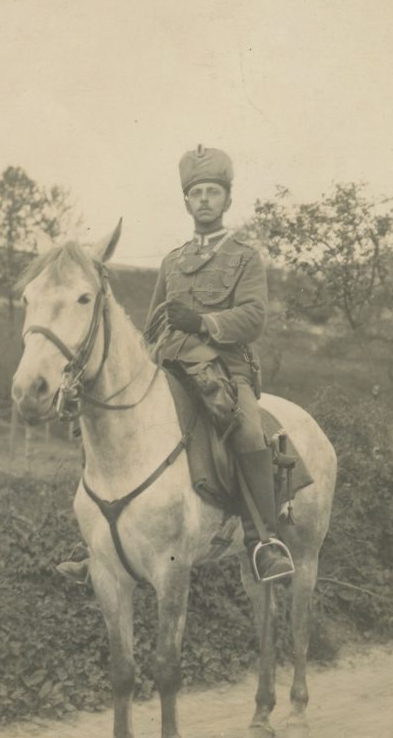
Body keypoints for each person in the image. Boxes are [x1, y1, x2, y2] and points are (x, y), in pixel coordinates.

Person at [57, 145, 293, 584]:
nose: (204, 199)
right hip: (170, 367)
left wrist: (203, 321)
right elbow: (151, 328)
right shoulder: (173, 261)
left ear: (226, 199)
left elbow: (253, 318)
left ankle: (264, 539)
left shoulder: (244, 257)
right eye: (196, 192)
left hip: (225, 368)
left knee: (245, 427)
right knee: (101, 422)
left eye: (213, 192)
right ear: (186, 201)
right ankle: (96, 541)